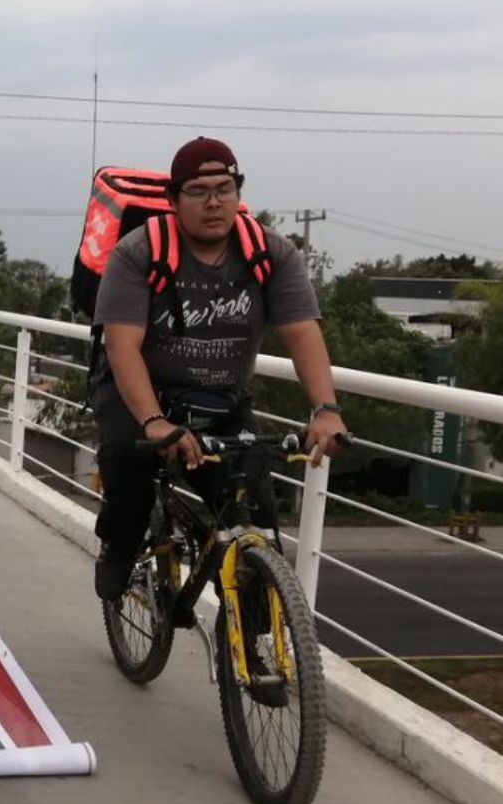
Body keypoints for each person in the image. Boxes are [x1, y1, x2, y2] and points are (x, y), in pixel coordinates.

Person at [92, 136, 348, 608]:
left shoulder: (271, 253)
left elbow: (303, 333)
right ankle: (119, 547)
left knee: (258, 517)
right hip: (142, 394)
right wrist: (155, 422)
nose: (214, 202)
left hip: (222, 398)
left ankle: (255, 654)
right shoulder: (138, 252)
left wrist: (326, 409)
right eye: (197, 191)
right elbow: (122, 345)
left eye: (225, 188)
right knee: (128, 472)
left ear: (238, 192)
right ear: (173, 200)